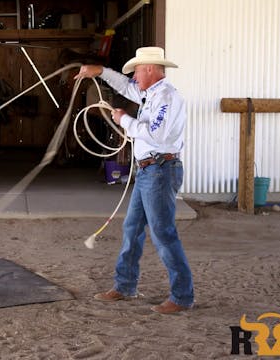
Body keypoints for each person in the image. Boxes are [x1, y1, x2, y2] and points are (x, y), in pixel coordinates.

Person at [75, 47, 194, 314]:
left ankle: (182, 296)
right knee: (132, 228)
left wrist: (124, 119)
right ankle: (125, 285)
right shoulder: (150, 93)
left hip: (160, 170)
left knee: (163, 233)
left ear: (150, 69)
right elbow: (126, 86)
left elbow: (158, 135)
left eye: (137, 71)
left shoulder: (167, 97)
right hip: (149, 170)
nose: (134, 77)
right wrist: (101, 71)